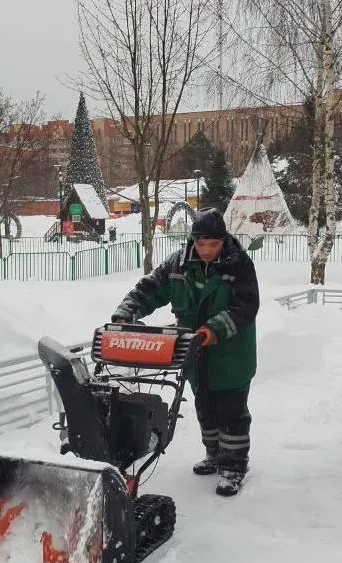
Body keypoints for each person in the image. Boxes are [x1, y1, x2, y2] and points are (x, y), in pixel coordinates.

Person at [111, 209, 259, 496]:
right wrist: (125, 314)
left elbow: (245, 307)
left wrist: (211, 329)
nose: (208, 251)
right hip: (195, 354)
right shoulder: (177, 265)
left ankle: (233, 467)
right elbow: (149, 289)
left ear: (223, 240)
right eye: (202, 244)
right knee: (205, 407)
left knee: (232, 412)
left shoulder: (239, 264)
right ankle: (213, 454)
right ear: (193, 241)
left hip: (231, 355)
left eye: (214, 244)